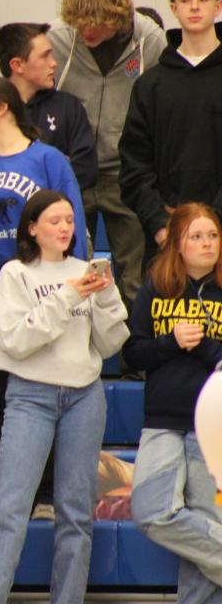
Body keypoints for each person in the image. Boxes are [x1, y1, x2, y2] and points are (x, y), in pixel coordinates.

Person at [0, 189, 129, 603]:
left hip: (84, 397)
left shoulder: (86, 270)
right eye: (54, 220)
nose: (64, 227)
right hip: (29, 396)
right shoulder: (15, 274)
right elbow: (15, 340)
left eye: (70, 221)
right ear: (32, 228)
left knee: (75, 515)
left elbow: (109, 345)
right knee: (9, 510)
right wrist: (70, 295)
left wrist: (106, 297)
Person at [0, 76, 88, 521]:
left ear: (3, 106)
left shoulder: (49, 161)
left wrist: (75, 288)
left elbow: (74, 226)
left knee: (43, 396)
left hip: (46, 298)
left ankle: (44, 493)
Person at [48, 0, 166, 303]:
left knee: (134, 278)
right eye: (79, 22)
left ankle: (134, 355)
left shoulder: (149, 40)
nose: (85, 30)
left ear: (117, 16)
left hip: (126, 175)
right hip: (73, 172)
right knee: (69, 273)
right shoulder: (58, 38)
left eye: (95, 22)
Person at [125, 202, 222, 604]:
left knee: (208, 521)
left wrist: (201, 345)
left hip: (213, 424)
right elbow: (132, 354)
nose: (206, 243)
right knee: (151, 511)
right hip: (163, 420)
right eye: (196, 236)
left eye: (213, 235)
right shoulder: (155, 287)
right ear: (177, 244)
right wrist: (170, 342)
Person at [120, 0, 222, 269]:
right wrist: (161, 226)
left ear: (218, 7)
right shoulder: (150, 85)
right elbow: (134, 165)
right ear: (173, 8)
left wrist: (213, 227)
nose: (194, 6)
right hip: (167, 239)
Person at [0, 22, 98, 194]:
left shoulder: (68, 107)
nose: (54, 63)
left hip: (61, 210)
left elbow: (85, 170)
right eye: (45, 56)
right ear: (17, 65)